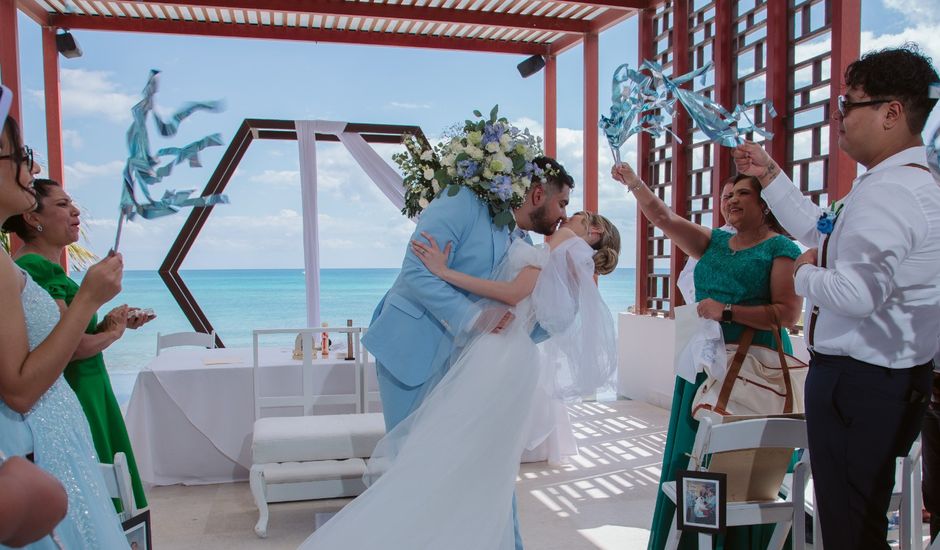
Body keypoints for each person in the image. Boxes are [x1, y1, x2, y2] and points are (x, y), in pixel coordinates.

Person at [300, 210, 619, 550]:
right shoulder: (569, 270)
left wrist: (442, 271)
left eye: (577, 213)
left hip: (497, 357)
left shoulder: (564, 243)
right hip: (508, 356)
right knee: (473, 455)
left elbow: (511, 294)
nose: (566, 215)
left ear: (595, 230)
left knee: (448, 448)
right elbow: (539, 321)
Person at [733, 45, 940, 549]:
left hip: (859, 384)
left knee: (849, 530)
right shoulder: (902, 184)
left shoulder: (891, 193)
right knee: (860, 518)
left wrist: (803, 273)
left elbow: (856, 293)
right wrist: (768, 174)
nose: (840, 119)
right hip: (891, 380)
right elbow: (821, 230)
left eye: (850, 105)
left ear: (892, 113)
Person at [361, 155, 573, 549]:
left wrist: (569, 299)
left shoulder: (522, 244)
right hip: (411, 351)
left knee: (483, 470)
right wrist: (474, 318)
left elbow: (519, 321)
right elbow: (416, 271)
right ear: (538, 193)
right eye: (562, 204)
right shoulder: (459, 202)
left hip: (468, 372)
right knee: (415, 472)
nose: (564, 215)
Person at [612, 165, 802, 550]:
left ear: (765, 203)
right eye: (727, 195)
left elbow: (787, 312)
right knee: (695, 457)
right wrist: (633, 181)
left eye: (742, 194)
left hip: (754, 365)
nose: (730, 199)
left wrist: (727, 311)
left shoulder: (781, 248)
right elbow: (663, 217)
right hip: (704, 364)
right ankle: (694, 543)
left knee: (744, 462)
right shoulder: (712, 242)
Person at [0, 84, 128, 549]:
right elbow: (17, 387)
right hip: (39, 440)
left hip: (55, 434)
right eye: (20, 154)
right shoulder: (10, 266)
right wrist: (90, 301)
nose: (32, 169)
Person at [4, 178, 152, 512]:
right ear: (32, 218)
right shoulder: (37, 269)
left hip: (89, 385)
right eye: (62, 205)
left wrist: (109, 322)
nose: (75, 212)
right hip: (79, 389)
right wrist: (112, 334)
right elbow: (72, 348)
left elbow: (61, 333)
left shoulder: (43, 268)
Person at [676, 179, 736, 303]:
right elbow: (685, 279)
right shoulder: (710, 238)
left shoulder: (766, 241)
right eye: (726, 197)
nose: (731, 202)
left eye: (738, 196)